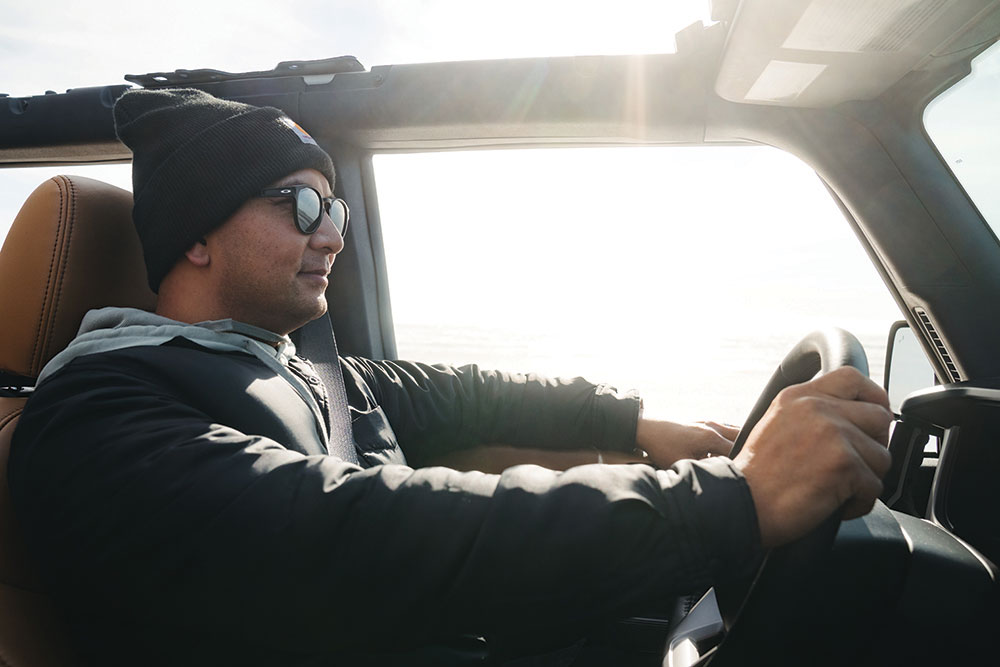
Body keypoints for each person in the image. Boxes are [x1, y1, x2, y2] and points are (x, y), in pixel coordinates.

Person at [7, 89, 892, 666]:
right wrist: (729, 503)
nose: (333, 235)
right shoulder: (98, 420)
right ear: (196, 236)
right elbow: (354, 534)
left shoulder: (300, 363)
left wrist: (636, 424)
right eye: (303, 205)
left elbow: (465, 388)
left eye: (338, 206)